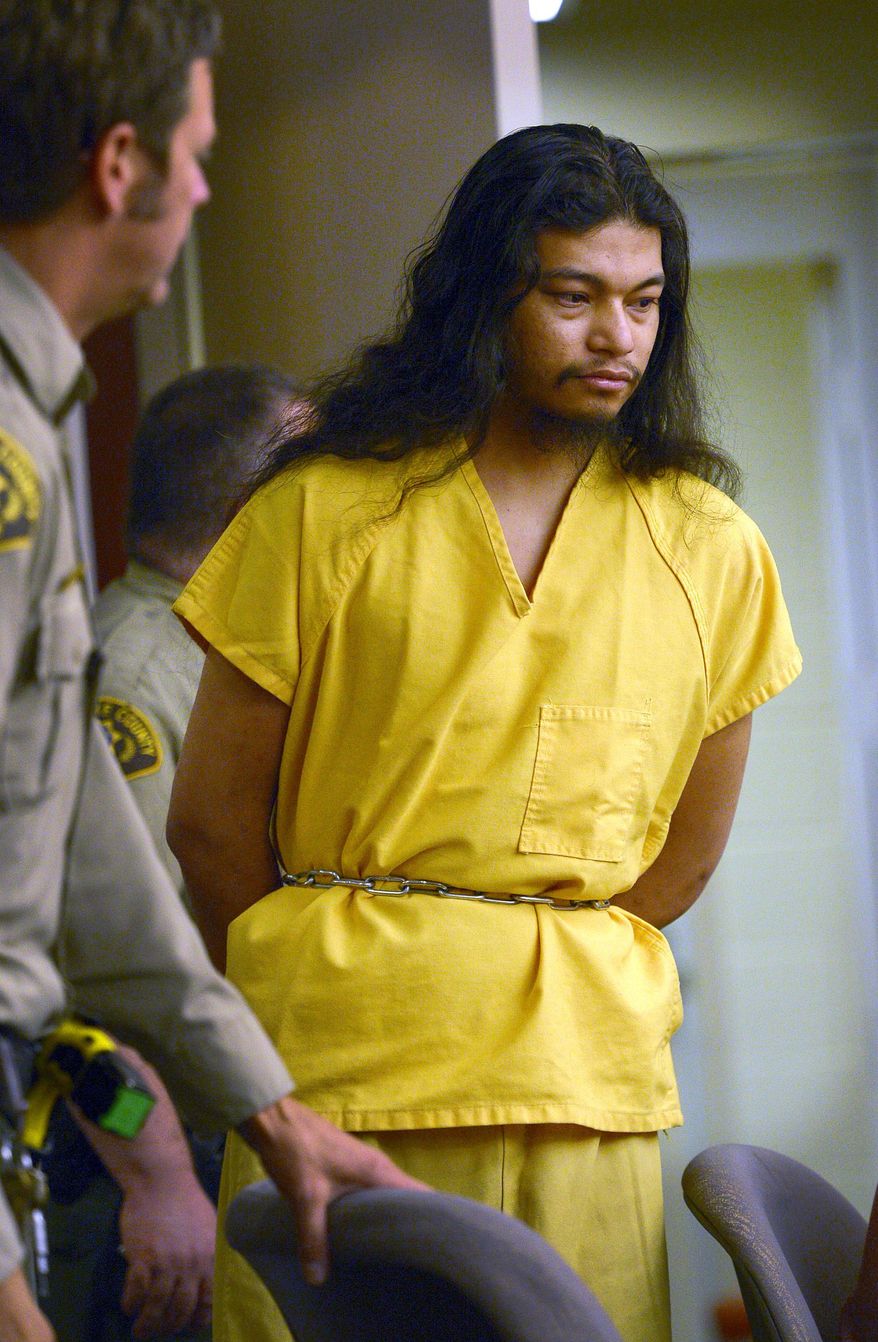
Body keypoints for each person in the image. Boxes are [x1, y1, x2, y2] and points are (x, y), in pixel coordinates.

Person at [169, 123, 803, 1342]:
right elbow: (208, 829)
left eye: (643, 300)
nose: (615, 335)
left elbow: (678, 863)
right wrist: (340, 969)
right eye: (571, 295)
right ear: (482, 297)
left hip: (579, 1085)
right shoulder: (324, 505)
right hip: (340, 1072)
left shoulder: (710, 547)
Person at [0, 5, 418, 1341]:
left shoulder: (35, 420)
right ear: (116, 163)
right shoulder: (15, 461)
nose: (204, 187)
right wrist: (146, 1153)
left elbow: (83, 844)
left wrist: (264, 1107)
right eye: (194, 151)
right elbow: (49, 936)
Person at [96, 363, 301, 896]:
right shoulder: (133, 681)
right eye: (314, 485)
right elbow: (140, 935)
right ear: (251, 513)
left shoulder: (230, 641)